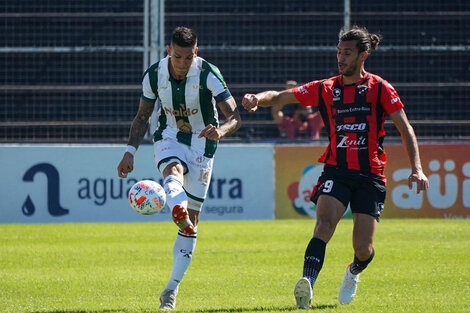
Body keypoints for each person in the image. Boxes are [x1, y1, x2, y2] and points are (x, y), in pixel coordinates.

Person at [242, 25, 429, 309]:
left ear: (363, 55)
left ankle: (353, 271)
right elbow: (282, 96)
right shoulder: (326, 88)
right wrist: (258, 98)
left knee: (363, 248)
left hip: (370, 176)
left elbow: (406, 129)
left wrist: (417, 167)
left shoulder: (380, 88)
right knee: (324, 225)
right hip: (336, 170)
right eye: (339, 52)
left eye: (348, 53)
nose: (340, 58)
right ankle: (307, 285)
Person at [117, 26, 241, 310]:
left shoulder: (209, 73)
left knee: (192, 225)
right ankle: (177, 206)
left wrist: (221, 131)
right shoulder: (153, 74)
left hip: (202, 145)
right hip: (168, 136)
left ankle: (170, 290)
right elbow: (142, 117)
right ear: (168, 51)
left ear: (195, 53)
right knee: (172, 170)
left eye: (188, 57)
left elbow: (235, 117)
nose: (183, 64)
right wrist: (129, 151)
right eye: (177, 57)